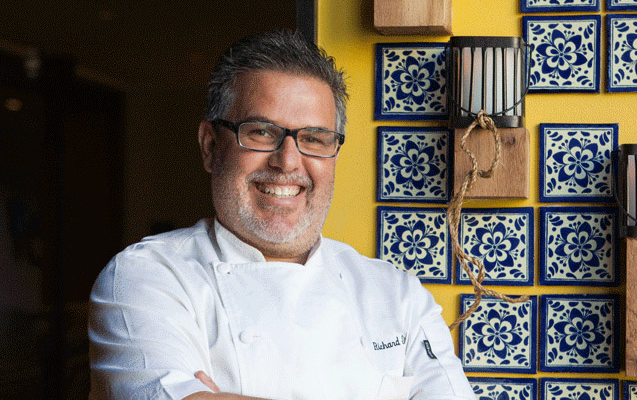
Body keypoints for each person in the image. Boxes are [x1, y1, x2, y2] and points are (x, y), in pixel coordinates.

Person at [88, 29, 476, 400]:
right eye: (261, 132)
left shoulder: (397, 295)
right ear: (211, 146)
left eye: (314, 138)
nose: (287, 161)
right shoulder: (147, 276)